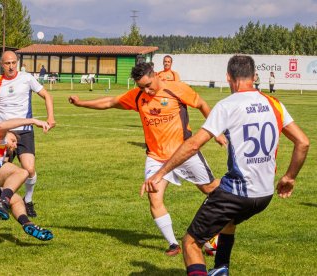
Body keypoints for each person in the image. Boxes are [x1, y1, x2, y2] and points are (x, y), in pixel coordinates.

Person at [143, 55, 309, 275]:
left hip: (237, 192)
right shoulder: (274, 103)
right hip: (265, 194)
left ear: (229, 78)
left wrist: (160, 173)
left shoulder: (228, 105)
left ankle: (215, 267)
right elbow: (303, 142)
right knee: (228, 221)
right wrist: (289, 177)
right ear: (254, 76)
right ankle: (221, 268)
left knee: (191, 243)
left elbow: (193, 145)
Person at [69, 62, 226, 256]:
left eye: (148, 85)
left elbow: (201, 104)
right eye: (141, 87)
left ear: (155, 75)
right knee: (154, 197)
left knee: (211, 190)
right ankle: (173, 244)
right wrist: (80, 102)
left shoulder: (176, 89)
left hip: (184, 152)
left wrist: (216, 131)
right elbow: (110, 102)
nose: (146, 90)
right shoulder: (138, 97)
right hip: (156, 156)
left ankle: (222, 222)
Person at [0, 51, 56, 221]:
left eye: (13, 62)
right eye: (7, 63)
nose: (11, 66)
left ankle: (28, 200)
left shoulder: (26, 78)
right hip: (3, 132)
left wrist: (51, 117)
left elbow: (47, 95)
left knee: (29, 169)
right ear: (1, 64)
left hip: (25, 130)